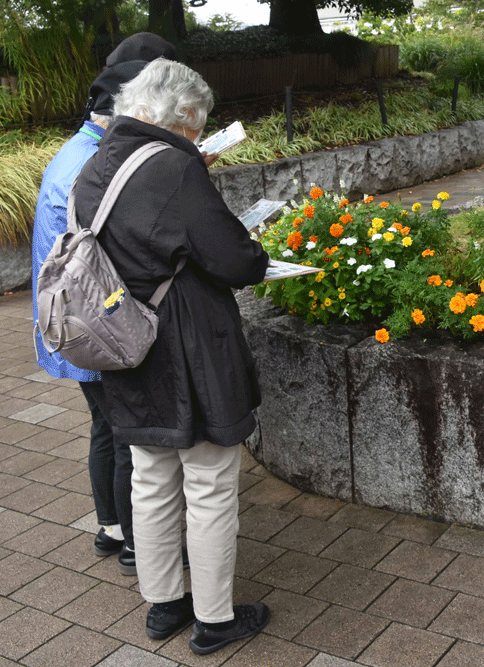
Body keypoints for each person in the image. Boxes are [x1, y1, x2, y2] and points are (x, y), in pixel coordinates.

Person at [73, 58, 271, 655]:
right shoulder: (175, 169)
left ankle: (164, 605)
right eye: (196, 126)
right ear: (183, 117)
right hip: (191, 348)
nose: (196, 137)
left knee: (151, 477)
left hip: (126, 346)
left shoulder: (94, 166)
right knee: (209, 481)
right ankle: (214, 619)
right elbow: (237, 261)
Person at [31, 33, 176, 577]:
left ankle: (111, 526)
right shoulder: (93, 164)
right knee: (124, 434)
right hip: (92, 323)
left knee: (103, 428)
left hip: (71, 321)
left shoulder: (77, 151)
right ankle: (139, 544)